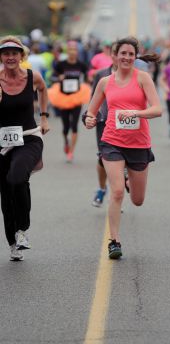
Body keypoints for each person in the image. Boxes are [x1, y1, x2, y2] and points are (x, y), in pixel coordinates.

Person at [84, 36, 162, 259]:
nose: (127, 57)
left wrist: (136, 113)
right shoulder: (105, 82)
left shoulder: (143, 78)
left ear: (135, 57)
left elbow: (157, 109)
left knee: (138, 200)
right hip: (112, 142)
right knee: (117, 192)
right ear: (114, 57)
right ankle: (114, 241)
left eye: (130, 54)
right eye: (123, 53)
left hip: (139, 144)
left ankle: (129, 176)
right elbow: (92, 111)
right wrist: (89, 119)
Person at [0, 35, 49, 261]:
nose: (10, 57)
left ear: (21, 56)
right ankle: (13, 243)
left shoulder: (32, 77)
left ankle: (22, 229)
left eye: (14, 53)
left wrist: (45, 117)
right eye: (6, 53)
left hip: (28, 139)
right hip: (1, 143)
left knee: (17, 177)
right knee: (6, 193)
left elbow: (43, 90)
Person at [49, 40, 90, 162]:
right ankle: (66, 142)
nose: (73, 52)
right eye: (70, 50)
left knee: (74, 126)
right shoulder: (61, 64)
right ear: (68, 52)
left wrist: (88, 81)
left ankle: (71, 152)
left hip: (77, 97)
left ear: (77, 52)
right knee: (66, 126)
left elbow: (87, 78)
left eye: (75, 50)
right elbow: (52, 77)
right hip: (63, 98)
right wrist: (58, 78)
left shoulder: (81, 65)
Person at [90, 42, 117, 207]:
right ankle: (101, 188)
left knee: (122, 160)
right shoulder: (101, 75)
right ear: (111, 54)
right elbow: (94, 99)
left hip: (125, 124)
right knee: (103, 157)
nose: (120, 57)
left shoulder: (137, 76)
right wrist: (90, 116)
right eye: (116, 53)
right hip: (104, 121)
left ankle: (116, 196)